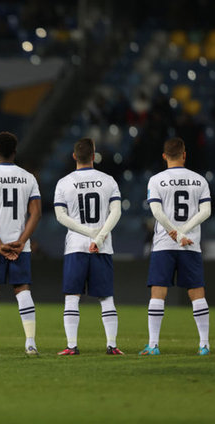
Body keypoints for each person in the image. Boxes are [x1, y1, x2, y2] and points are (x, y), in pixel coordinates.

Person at [140, 137, 211, 356]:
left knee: (158, 292)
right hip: (190, 244)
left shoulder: (155, 180)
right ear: (184, 154)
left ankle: (153, 345)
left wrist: (174, 232)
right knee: (197, 292)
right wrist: (183, 233)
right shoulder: (200, 180)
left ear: (164, 156)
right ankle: (204, 344)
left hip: (164, 243)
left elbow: (157, 212)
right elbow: (206, 212)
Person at [0, 131, 42, 356]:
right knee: (22, 289)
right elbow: (36, 213)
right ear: (15, 152)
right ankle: (30, 343)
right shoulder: (29, 178)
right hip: (20, 244)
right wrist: (21, 242)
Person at [53, 138, 123, 355]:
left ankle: (72, 346)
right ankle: (111, 345)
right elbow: (116, 212)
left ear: (74, 156)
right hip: (102, 247)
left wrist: (87, 232)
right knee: (106, 297)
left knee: (72, 296)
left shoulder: (64, 183)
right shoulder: (108, 180)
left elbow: (60, 216)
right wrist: (99, 237)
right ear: (94, 156)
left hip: (76, 246)